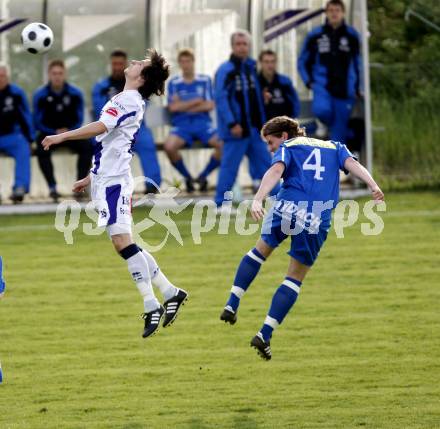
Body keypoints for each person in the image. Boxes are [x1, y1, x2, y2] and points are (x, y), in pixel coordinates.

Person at [41, 50, 188, 338]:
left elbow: (101, 127)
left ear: (142, 77)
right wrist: (90, 177)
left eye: (139, 64)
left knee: (122, 243)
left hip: (115, 183)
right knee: (124, 242)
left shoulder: (127, 100)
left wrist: (63, 136)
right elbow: (111, 144)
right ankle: (171, 292)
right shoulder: (128, 100)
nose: (133, 63)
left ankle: (151, 304)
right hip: (107, 180)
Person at [220, 116, 384, 360]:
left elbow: (276, 169)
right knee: (294, 278)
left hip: (287, 207)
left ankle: (232, 303)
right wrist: (373, 185)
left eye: (270, 142)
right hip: (316, 217)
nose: (269, 148)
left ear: (284, 136)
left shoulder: (288, 147)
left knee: (259, 252)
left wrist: (258, 198)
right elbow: (352, 165)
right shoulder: (335, 147)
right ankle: (265, 333)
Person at [214, 30, 275, 207]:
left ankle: (281, 200)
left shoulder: (251, 68)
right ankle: (220, 204)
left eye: (245, 44)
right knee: (229, 169)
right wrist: (232, 123)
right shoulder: (226, 70)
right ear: (232, 47)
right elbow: (221, 99)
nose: (241, 47)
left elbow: (251, 96)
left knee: (269, 166)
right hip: (236, 131)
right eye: (238, 44)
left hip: (254, 130)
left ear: (249, 46)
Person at [92, 49, 161, 194]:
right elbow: (100, 111)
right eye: (114, 64)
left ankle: (152, 186)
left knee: (147, 143)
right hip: (111, 128)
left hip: (136, 127)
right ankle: (98, 186)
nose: (117, 67)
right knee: (96, 146)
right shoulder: (102, 87)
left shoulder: (138, 83)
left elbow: (143, 105)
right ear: (110, 65)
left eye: (120, 63)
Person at [298, 0, 361, 144]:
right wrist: (309, 82)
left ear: (343, 13)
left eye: (337, 10)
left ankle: (336, 164)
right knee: (321, 111)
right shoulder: (316, 35)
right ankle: (320, 124)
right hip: (321, 86)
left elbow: (358, 63)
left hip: (345, 90)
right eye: (331, 10)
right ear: (326, 13)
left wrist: (358, 87)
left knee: (338, 138)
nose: (334, 13)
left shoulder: (351, 35)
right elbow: (302, 61)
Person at [33, 59, 92, 201]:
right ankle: (52, 188)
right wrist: (53, 131)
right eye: (54, 73)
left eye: (60, 73)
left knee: (88, 146)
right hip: (49, 134)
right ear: (49, 75)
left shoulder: (75, 93)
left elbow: (79, 118)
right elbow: (37, 121)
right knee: (41, 149)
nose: (57, 76)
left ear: (64, 74)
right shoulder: (40, 94)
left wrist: (68, 132)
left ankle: (79, 186)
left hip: (71, 134)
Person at [165, 49, 221, 193]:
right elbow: (172, 107)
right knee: (170, 147)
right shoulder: (174, 82)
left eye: (188, 61)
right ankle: (188, 177)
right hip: (182, 125)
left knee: (223, 145)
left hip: (203, 124)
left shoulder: (204, 80)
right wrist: (197, 101)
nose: (186, 65)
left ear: (193, 62)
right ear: (179, 64)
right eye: (182, 62)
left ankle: (203, 176)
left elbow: (209, 104)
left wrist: (182, 106)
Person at [0, 63, 33, 203]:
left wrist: (31, 139)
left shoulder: (16, 93)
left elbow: (26, 116)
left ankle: (19, 188)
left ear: (7, 77)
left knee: (23, 147)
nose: (0, 79)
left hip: (11, 136)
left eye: (2, 76)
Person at [258, 49, 300, 120]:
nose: (270, 65)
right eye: (266, 62)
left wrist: (292, 120)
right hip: (264, 126)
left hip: (283, 126)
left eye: (272, 61)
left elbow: (295, 101)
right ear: (261, 63)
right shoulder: (256, 84)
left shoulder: (285, 82)